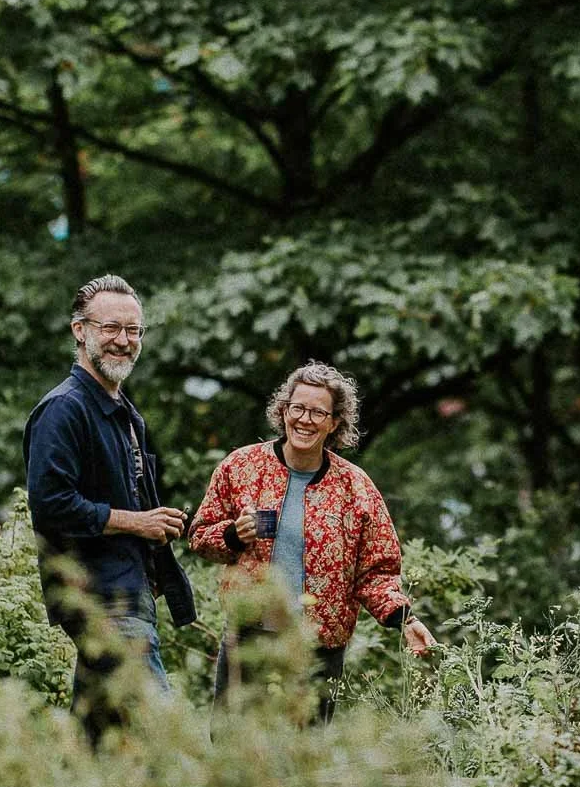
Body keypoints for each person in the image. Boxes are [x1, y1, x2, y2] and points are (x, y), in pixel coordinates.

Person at [190, 360, 432, 716]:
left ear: (335, 422)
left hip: (319, 645)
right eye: (298, 408)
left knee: (304, 756)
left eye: (318, 412)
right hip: (250, 636)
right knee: (234, 744)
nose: (305, 419)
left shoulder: (355, 487)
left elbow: (376, 570)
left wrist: (405, 620)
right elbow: (199, 535)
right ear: (283, 410)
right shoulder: (240, 467)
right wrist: (233, 535)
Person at [24, 274, 196, 739]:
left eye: (134, 331)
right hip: (101, 600)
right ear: (81, 330)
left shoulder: (124, 413)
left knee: (97, 752)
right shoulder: (64, 409)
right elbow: (51, 505)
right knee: (163, 738)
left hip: (127, 593)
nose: (124, 341)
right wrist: (135, 523)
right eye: (111, 328)